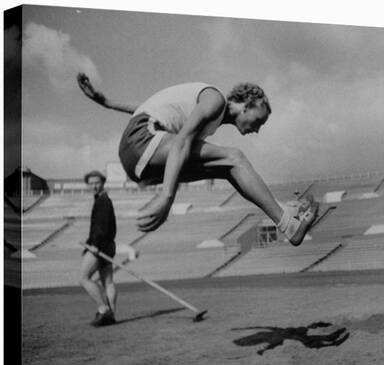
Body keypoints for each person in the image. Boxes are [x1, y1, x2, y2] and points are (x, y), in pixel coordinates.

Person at [77, 74, 319, 245]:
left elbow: (147, 108)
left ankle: (284, 211)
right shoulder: (214, 100)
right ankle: (288, 224)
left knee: (227, 167)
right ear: (249, 104)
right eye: (259, 120)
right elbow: (181, 140)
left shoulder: (207, 114)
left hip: (137, 156)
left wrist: (107, 103)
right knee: (235, 158)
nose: (257, 129)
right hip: (142, 141)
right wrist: (166, 197)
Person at [80, 170, 118, 327]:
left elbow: (101, 228)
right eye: (91, 183)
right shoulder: (103, 199)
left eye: (97, 182)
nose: (94, 186)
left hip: (99, 246)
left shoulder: (103, 201)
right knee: (108, 281)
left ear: (102, 182)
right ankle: (112, 314)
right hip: (107, 246)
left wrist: (94, 245)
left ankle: (103, 309)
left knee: (84, 278)